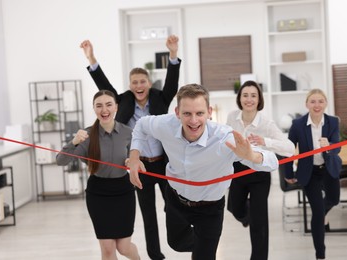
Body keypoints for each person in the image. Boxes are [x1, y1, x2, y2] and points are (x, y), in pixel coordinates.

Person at [128, 83, 279, 260]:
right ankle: (202, 245)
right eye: (187, 113)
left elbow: (273, 161)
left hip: (210, 209)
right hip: (176, 200)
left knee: (203, 256)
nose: (193, 120)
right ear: (177, 112)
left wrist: (252, 156)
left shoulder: (224, 138)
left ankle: (205, 248)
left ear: (209, 112)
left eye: (199, 113)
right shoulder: (165, 124)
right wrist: (134, 156)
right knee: (175, 243)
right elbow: (141, 125)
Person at [80, 35, 181, 260]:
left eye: (142, 81)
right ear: (129, 85)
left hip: (163, 164)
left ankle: (181, 239)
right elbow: (103, 87)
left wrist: (173, 54)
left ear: (148, 83)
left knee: (173, 207)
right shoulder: (123, 100)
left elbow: (172, 83)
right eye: (134, 82)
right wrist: (91, 58)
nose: (138, 86)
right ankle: (155, 255)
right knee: (148, 216)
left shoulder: (160, 98)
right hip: (140, 166)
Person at [56, 90, 140, 260]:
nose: (104, 110)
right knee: (108, 249)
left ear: (116, 107)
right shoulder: (86, 136)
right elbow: (60, 161)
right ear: (93, 108)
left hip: (123, 192)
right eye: (99, 106)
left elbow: (136, 158)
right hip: (98, 194)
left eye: (109, 104)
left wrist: (130, 162)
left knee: (123, 247)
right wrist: (73, 142)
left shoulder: (128, 133)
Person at [226, 80, 295, 260]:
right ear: (240, 98)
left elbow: (289, 148)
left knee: (259, 224)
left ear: (259, 99)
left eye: (253, 96)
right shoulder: (232, 117)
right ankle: (247, 215)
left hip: (259, 173)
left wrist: (266, 142)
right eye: (245, 95)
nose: (249, 99)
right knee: (235, 209)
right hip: (237, 172)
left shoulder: (266, 123)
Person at [284, 89, 341, 260]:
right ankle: (320, 255)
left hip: (328, 168)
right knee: (317, 213)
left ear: (326, 103)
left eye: (321, 101)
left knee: (334, 199)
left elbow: (337, 147)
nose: (317, 105)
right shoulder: (298, 124)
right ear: (307, 104)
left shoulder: (332, 122)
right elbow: (288, 149)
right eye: (313, 101)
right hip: (310, 173)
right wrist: (288, 171)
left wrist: (329, 145)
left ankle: (319, 215)